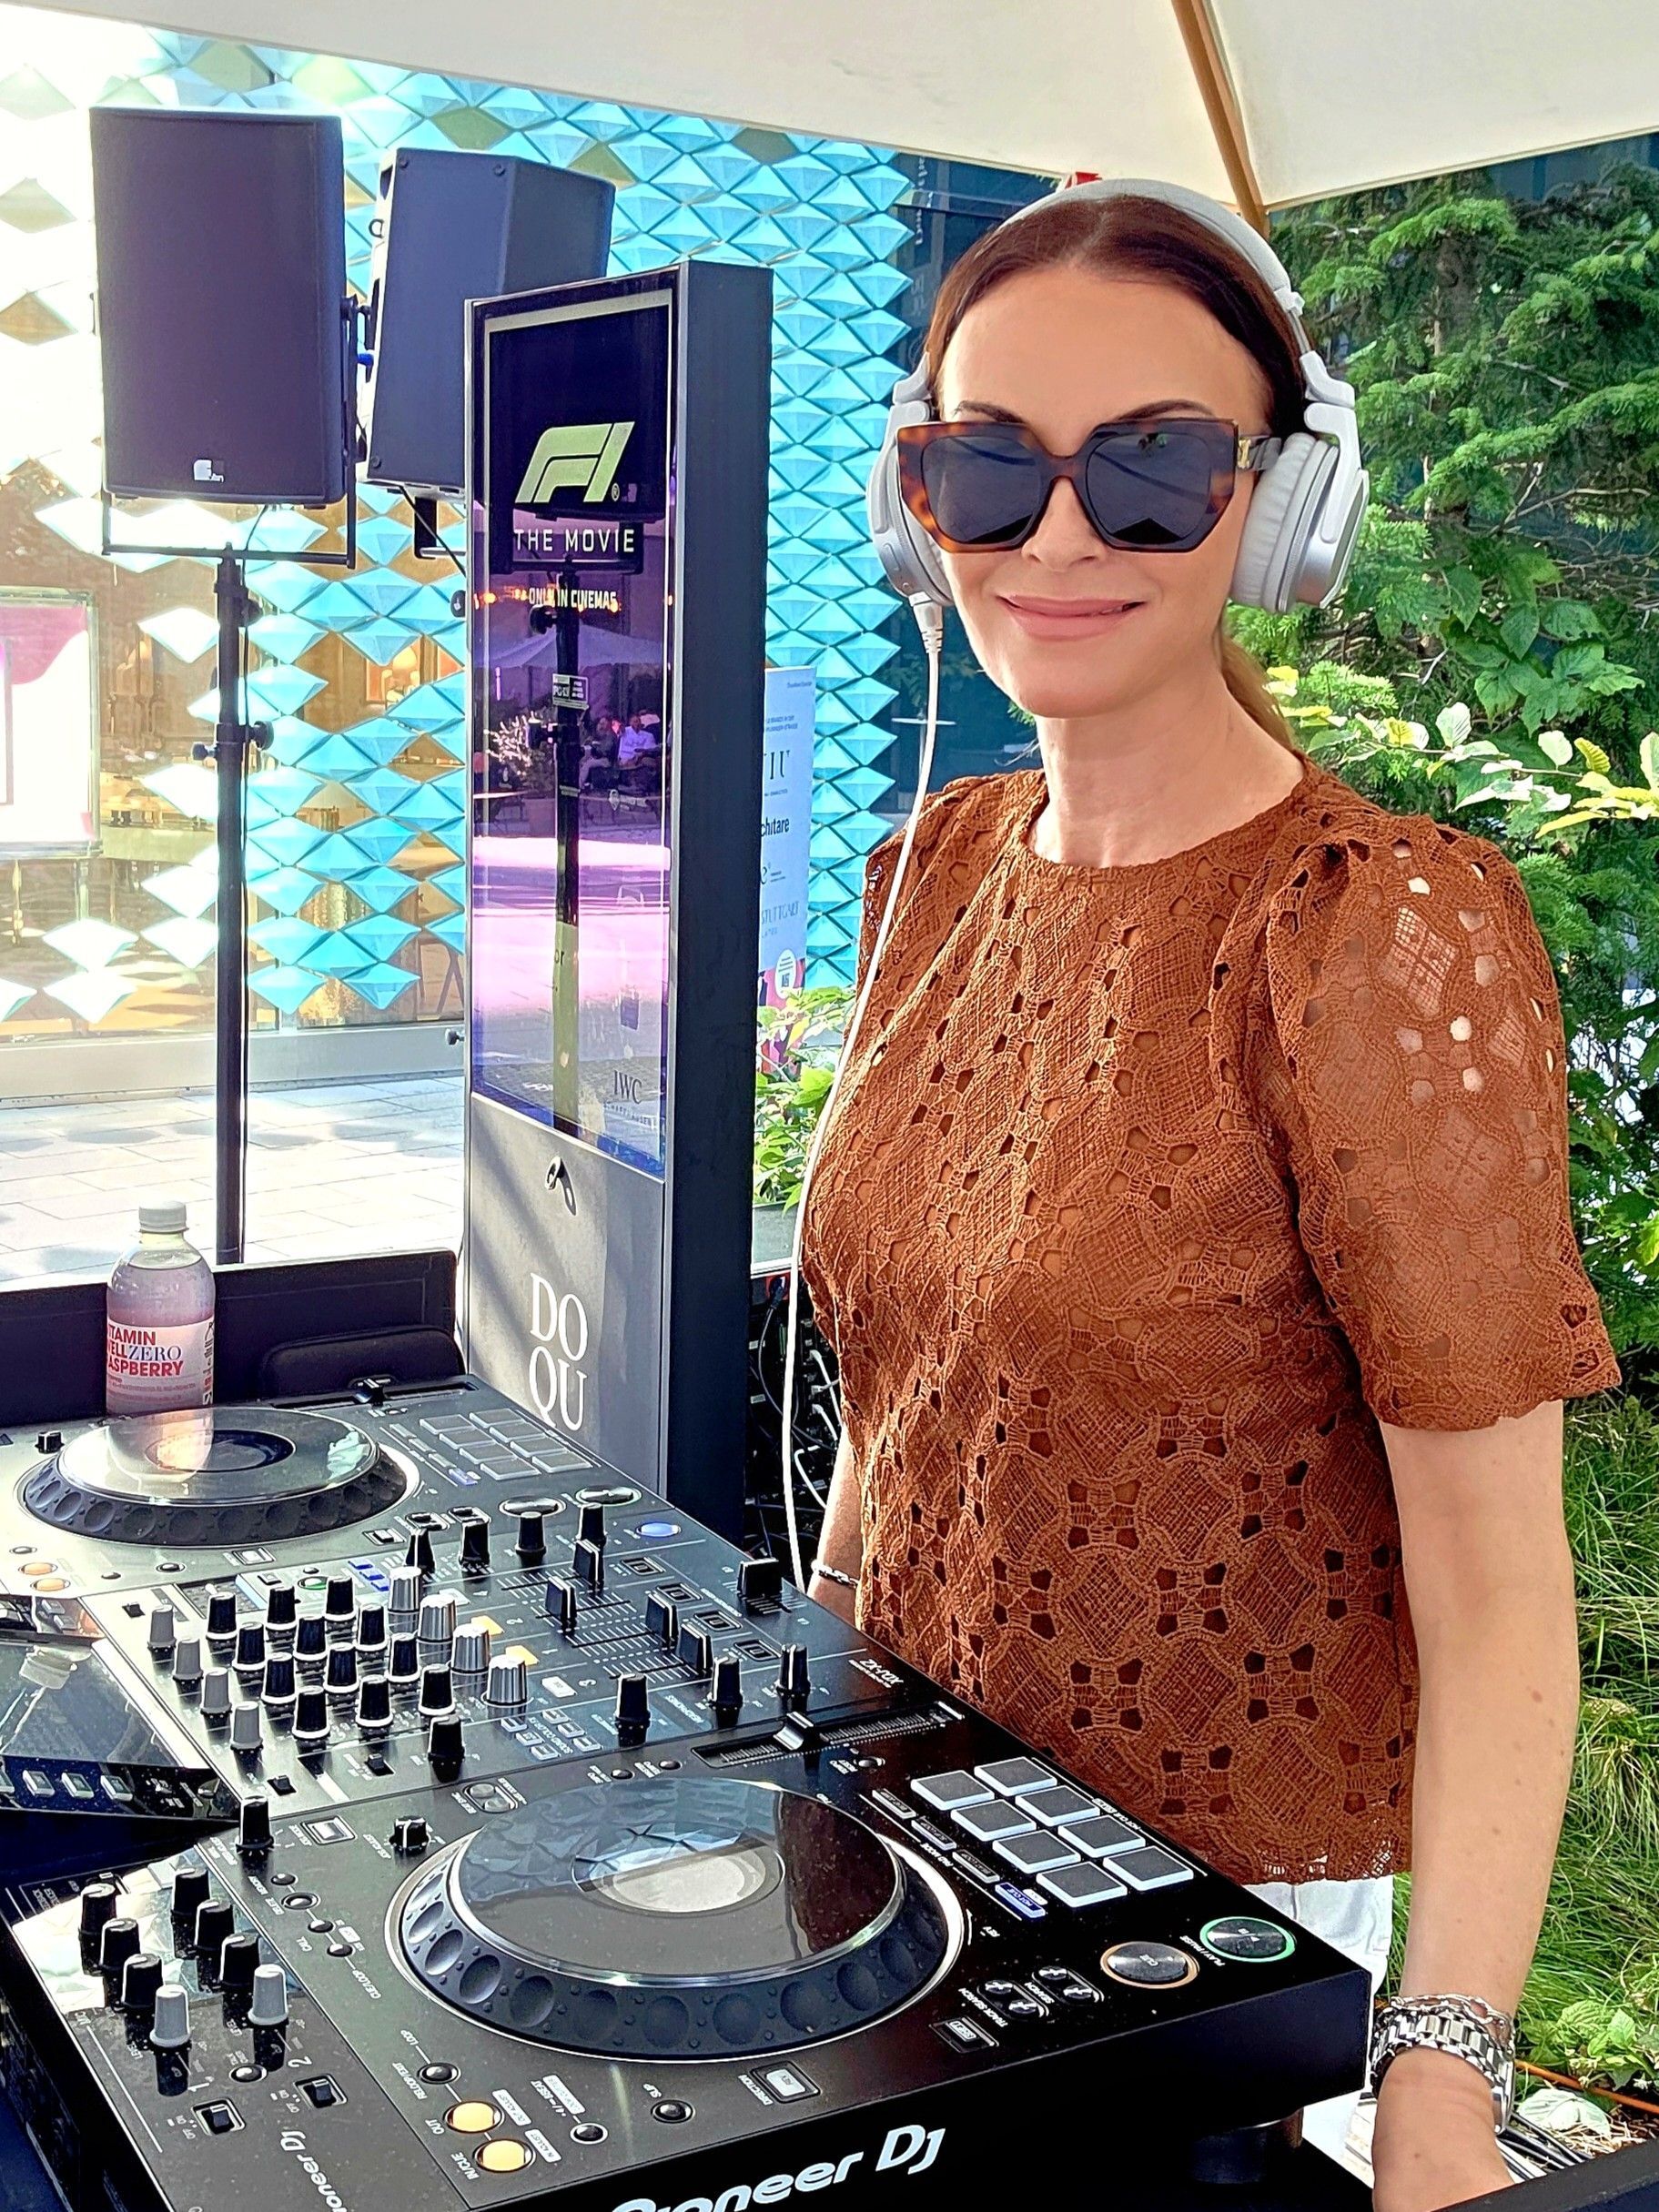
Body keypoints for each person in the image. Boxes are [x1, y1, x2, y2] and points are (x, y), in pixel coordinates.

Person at [796, 181, 1622, 2212]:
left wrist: (1438, 2079)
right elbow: (904, 1400)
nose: (1059, 538)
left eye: (1154, 470)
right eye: (991, 467)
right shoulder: (941, 870)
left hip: (1205, 1951)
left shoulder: (1372, 930)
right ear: (917, 503)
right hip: (899, 1848)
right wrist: (808, 1716)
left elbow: (1502, 1592)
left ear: (1283, 505)